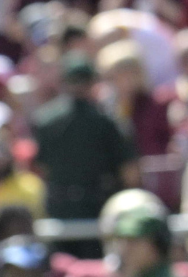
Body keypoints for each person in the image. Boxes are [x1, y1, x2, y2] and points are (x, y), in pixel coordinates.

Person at [32, 54, 139, 257]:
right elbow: (129, 173)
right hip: (98, 209)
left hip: (60, 210)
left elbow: (41, 168)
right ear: (92, 83)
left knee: (63, 271)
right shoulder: (108, 123)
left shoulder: (44, 121)